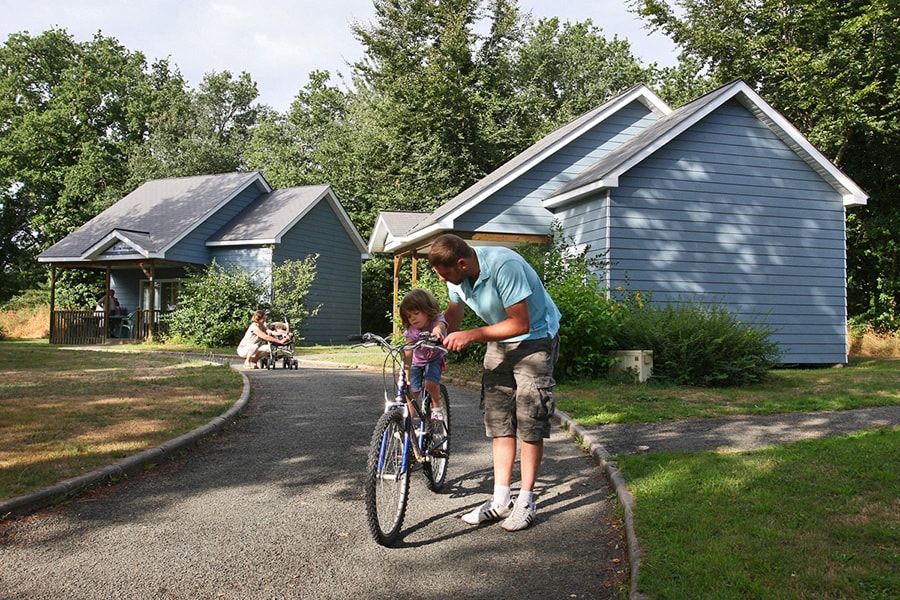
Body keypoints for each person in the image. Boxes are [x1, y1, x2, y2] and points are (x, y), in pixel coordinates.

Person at [428, 233, 560, 532]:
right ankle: (501, 500)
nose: (444, 279)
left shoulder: (504, 265)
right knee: (499, 421)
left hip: (534, 339)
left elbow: (520, 323)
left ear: (461, 263)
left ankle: (526, 500)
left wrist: (472, 335)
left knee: (530, 420)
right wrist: (441, 328)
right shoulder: (456, 277)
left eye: (446, 274)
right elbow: (455, 314)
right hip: (499, 341)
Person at [399, 288, 448, 420]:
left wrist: (437, 331)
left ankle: (437, 405)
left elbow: (441, 325)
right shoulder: (411, 331)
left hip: (434, 358)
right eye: (409, 316)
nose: (412, 318)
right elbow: (408, 351)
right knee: (412, 392)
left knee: (430, 383)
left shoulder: (436, 320)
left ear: (428, 310)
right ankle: (407, 423)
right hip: (417, 361)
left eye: (416, 313)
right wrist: (407, 375)